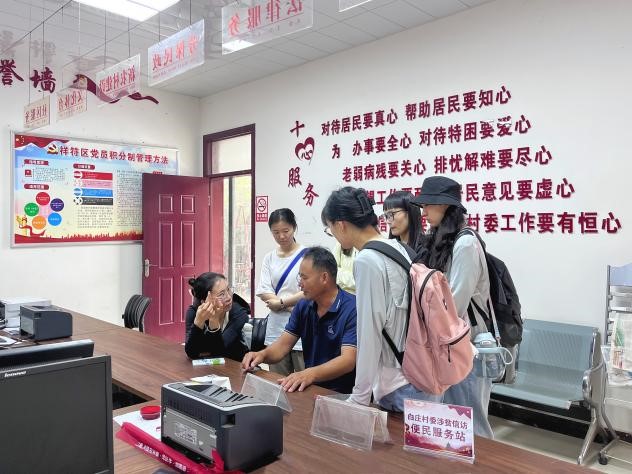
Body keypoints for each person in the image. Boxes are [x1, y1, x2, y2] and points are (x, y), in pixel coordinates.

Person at [321, 186, 441, 411]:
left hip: (398, 384)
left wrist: (360, 395)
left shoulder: (367, 260)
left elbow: (369, 332)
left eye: (330, 229)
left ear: (341, 224)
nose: (334, 235)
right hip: (423, 372)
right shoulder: (399, 248)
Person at [412, 175, 494, 438]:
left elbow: (455, 303)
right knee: (453, 425)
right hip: (450, 344)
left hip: (467, 346)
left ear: (445, 205)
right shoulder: (442, 239)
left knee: (472, 425)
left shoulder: (465, 243)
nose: (423, 212)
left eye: (428, 204)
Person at [243, 247, 357, 393]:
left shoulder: (352, 308)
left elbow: (348, 361)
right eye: (299, 277)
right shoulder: (303, 305)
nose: (300, 284)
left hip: (343, 394)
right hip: (311, 389)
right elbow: (282, 346)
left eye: (304, 278)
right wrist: (261, 355)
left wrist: (309, 374)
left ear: (324, 278)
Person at [256, 208, 306, 375]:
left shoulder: (307, 255)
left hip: (302, 327)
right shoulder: (269, 258)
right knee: (277, 381)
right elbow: (264, 290)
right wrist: (284, 305)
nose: (281, 236)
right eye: (276, 232)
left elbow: (309, 290)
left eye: (286, 231)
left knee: (305, 379)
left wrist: (281, 303)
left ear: (294, 227)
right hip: (276, 329)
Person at [185, 272, 250, 362]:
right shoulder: (194, 312)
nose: (229, 297)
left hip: (236, 365)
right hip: (208, 368)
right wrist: (199, 322)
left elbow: (218, 352)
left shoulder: (239, 313)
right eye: (221, 294)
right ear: (204, 301)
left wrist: (214, 320)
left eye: (228, 289)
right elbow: (192, 353)